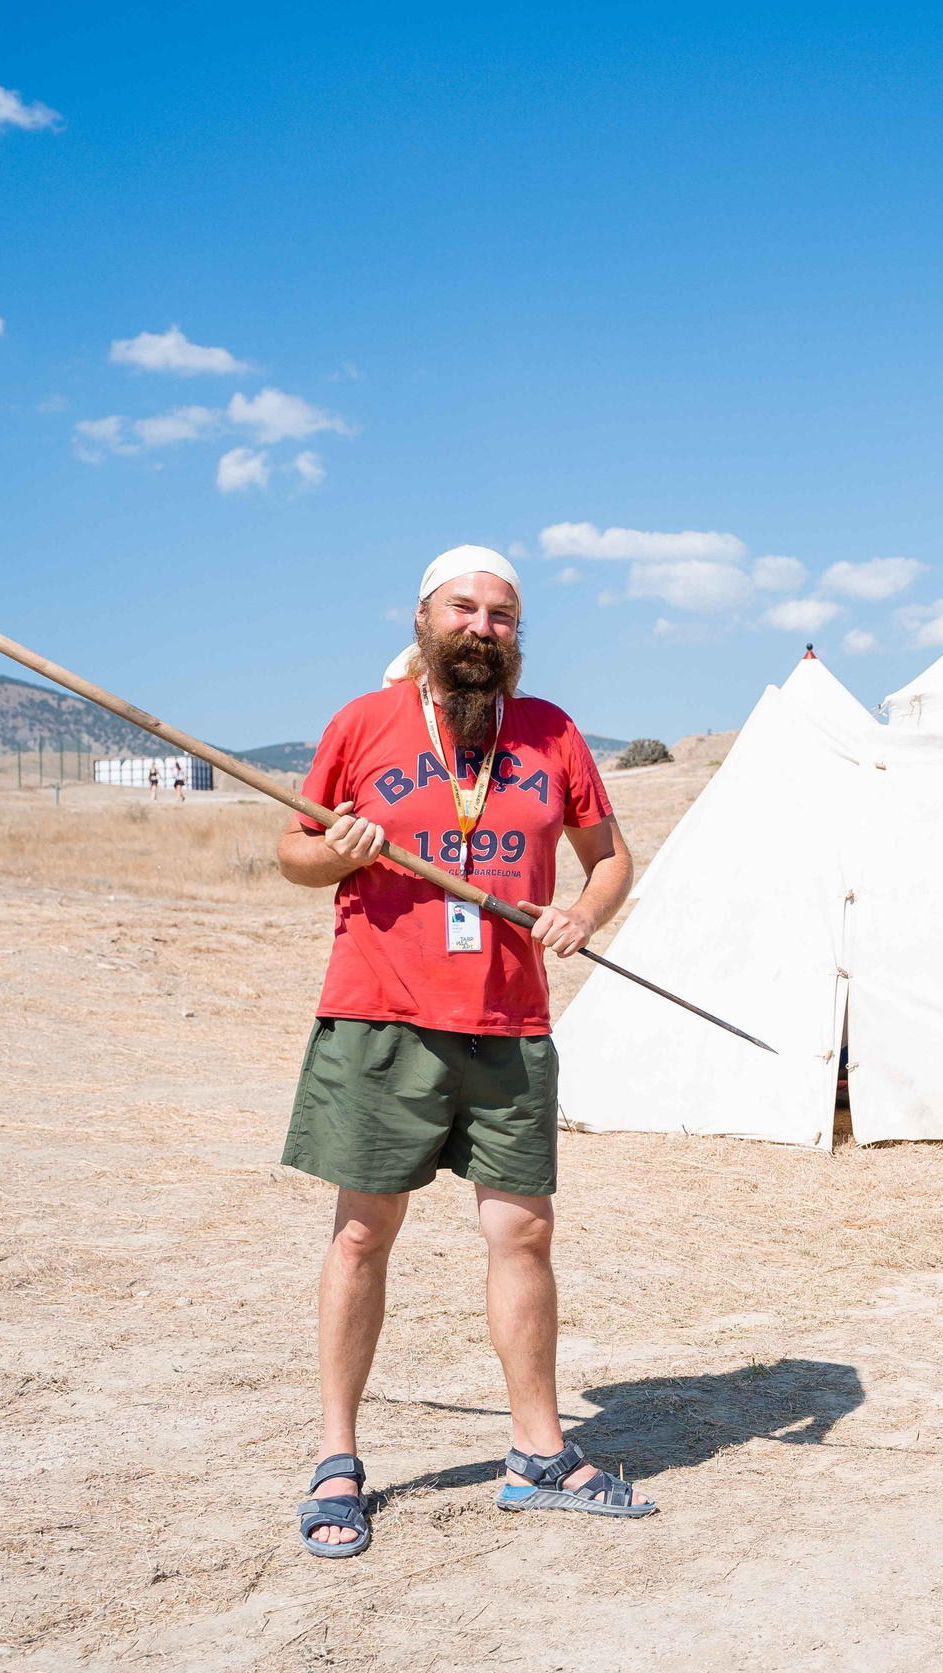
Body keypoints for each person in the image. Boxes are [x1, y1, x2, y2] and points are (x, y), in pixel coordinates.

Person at [277, 544, 643, 1560]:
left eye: (503, 615)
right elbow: (293, 853)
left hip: (510, 1023)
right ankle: (337, 1460)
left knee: (523, 1235)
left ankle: (536, 1456)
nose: (483, 627)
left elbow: (609, 857)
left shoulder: (552, 732)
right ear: (423, 619)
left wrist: (581, 911)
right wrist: (333, 853)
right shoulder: (362, 723)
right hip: (381, 1016)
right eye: (464, 608)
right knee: (361, 1235)